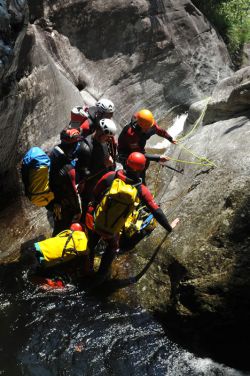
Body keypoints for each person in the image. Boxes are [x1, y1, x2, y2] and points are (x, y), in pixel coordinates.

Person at [86, 151, 179, 282]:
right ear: (142, 168)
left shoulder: (110, 177)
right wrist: (169, 228)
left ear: (127, 164)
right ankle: (101, 274)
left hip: (98, 220)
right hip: (114, 228)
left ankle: (87, 266)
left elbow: (95, 193)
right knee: (112, 247)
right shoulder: (141, 190)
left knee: (91, 243)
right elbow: (156, 211)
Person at [118, 109, 177, 180]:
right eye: (147, 127)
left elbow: (160, 131)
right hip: (126, 152)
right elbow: (137, 153)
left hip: (139, 147)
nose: (149, 128)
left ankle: (142, 179)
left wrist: (170, 139)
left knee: (145, 164)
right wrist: (158, 158)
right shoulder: (131, 134)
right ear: (141, 125)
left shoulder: (150, 124)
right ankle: (136, 181)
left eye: (150, 126)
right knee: (135, 168)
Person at [75, 118, 117, 213]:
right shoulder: (85, 148)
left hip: (101, 183)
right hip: (90, 189)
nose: (109, 139)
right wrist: (104, 165)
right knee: (88, 210)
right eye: (108, 136)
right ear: (99, 132)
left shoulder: (103, 142)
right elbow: (83, 177)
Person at [49, 129, 83, 236]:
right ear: (72, 146)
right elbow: (73, 193)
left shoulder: (53, 152)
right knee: (62, 227)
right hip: (63, 203)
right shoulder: (68, 170)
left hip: (53, 197)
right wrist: (78, 210)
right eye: (76, 143)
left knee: (57, 222)